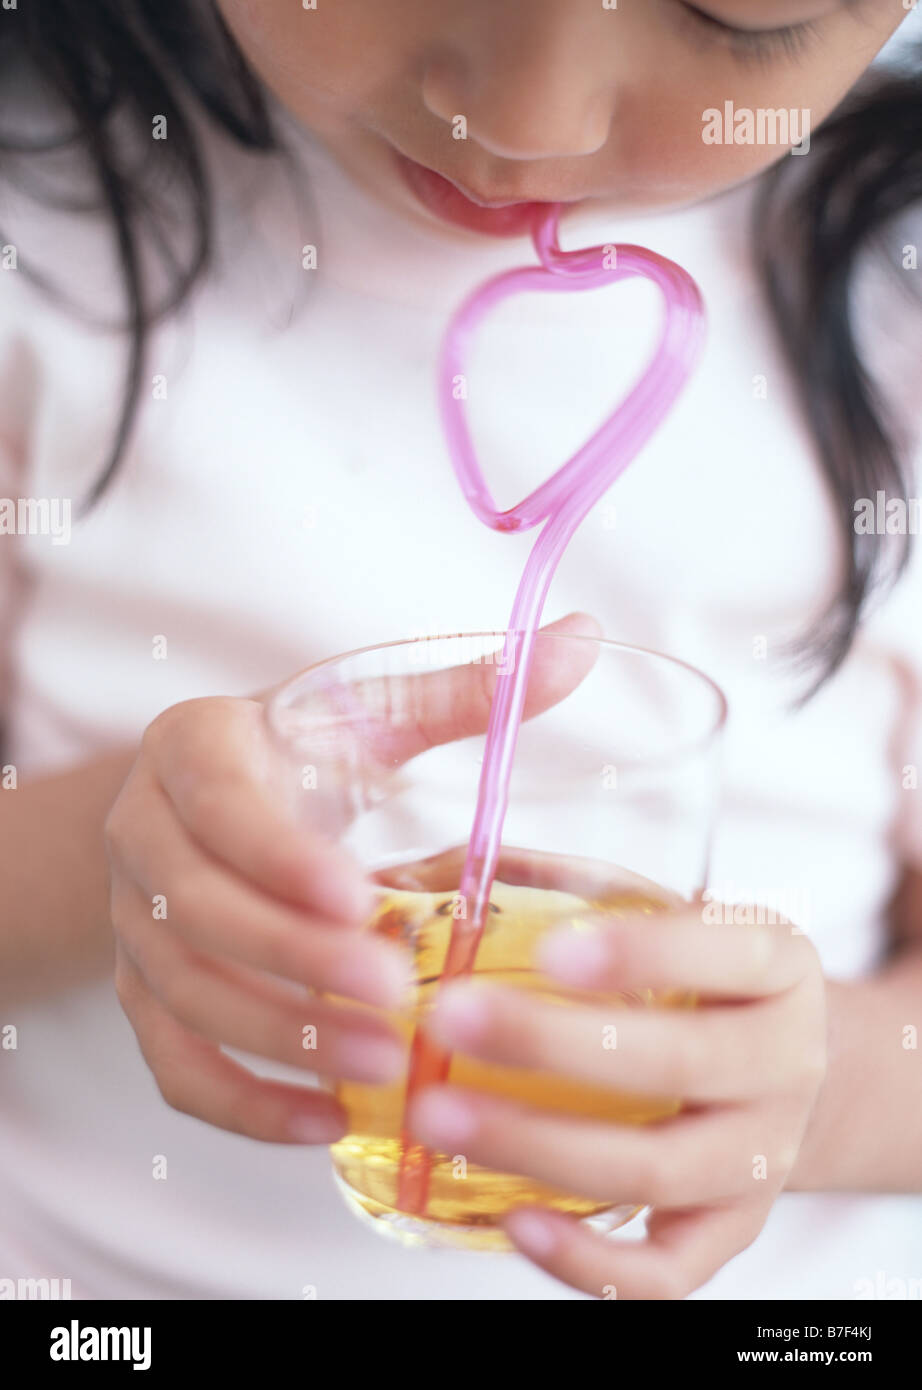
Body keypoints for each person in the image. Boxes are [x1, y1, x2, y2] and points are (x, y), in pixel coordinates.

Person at [0, 0, 920, 1301]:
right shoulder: (36, 214)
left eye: (737, 15)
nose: (521, 126)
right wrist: (132, 849)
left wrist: (806, 1093)